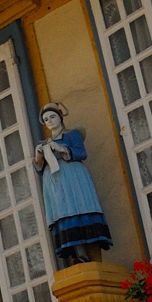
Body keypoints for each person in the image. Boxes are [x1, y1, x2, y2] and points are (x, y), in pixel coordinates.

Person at [37, 102, 110, 266]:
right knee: (65, 215)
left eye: (52, 116)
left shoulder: (72, 134)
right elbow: (40, 167)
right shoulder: (45, 142)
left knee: (80, 208)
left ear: (60, 117)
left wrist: (62, 149)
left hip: (73, 177)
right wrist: (38, 156)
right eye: (46, 119)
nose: (49, 121)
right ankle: (80, 254)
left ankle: (93, 254)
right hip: (55, 182)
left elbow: (81, 153)